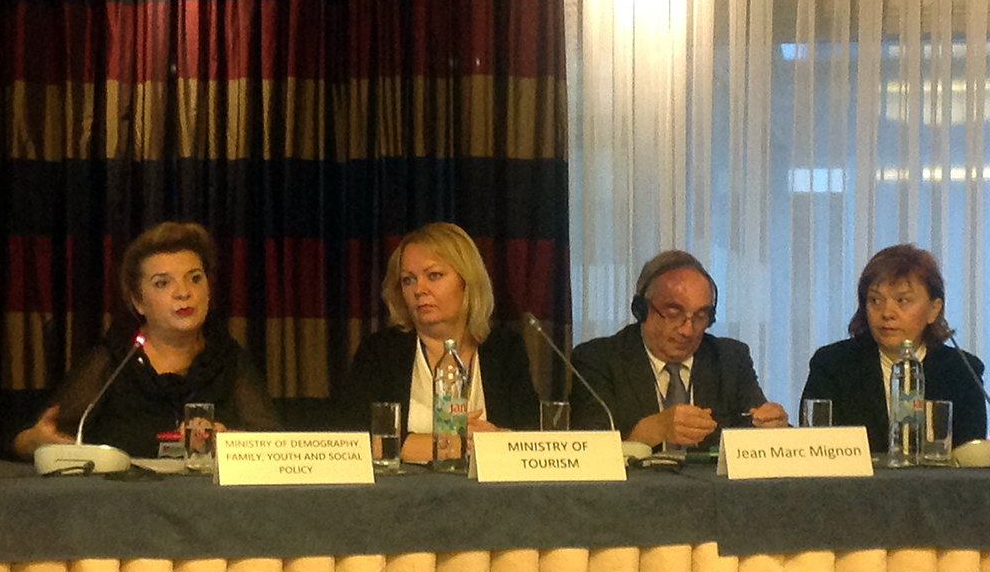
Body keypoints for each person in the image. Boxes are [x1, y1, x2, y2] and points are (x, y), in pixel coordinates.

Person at [13, 222, 279, 458]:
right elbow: (39, 436)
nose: (183, 292)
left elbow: (275, 448)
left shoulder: (229, 360)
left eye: (195, 278)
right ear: (137, 301)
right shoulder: (114, 362)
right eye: (163, 283)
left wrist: (231, 442)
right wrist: (31, 442)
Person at [340, 222, 539, 461]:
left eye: (434, 276)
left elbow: (530, 436)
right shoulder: (381, 351)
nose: (419, 289)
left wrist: (495, 440)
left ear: (466, 281)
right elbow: (354, 441)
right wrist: (448, 445)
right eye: (408, 280)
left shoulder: (504, 348)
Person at [570, 250, 787, 449]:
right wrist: (652, 431)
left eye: (700, 316)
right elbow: (590, 452)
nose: (687, 330)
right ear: (641, 310)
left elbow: (758, 430)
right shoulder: (596, 360)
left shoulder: (730, 359)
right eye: (674, 313)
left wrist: (774, 427)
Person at [800, 244, 986, 452]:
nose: (887, 313)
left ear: (934, 310)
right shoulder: (833, 365)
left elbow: (970, 455)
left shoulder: (962, 371)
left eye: (902, 300)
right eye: (875, 300)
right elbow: (814, 446)